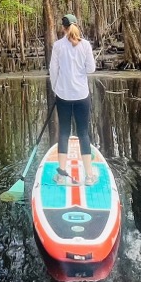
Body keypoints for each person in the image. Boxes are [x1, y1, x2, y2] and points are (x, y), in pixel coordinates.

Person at [48, 13, 98, 186]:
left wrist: (56, 89)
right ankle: (89, 176)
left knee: (63, 132)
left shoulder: (57, 46)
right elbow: (91, 69)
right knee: (83, 133)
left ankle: (62, 175)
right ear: (77, 25)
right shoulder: (85, 45)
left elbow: (53, 70)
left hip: (63, 95)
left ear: (63, 28)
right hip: (82, 95)